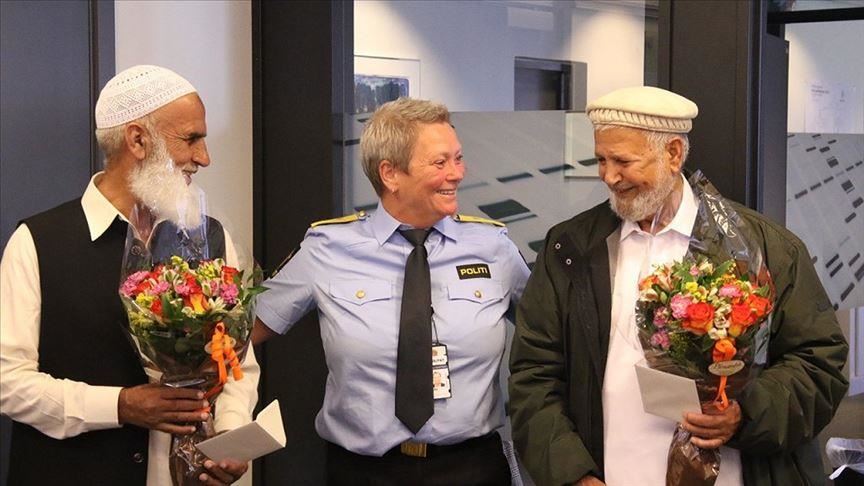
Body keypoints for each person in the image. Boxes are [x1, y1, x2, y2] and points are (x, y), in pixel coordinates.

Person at [508, 86, 849, 486]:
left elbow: (818, 363)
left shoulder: (762, 248)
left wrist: (744, 414)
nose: (609, 176)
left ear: (673, 154)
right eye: (601, 159)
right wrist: (572, 474)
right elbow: (534, 374)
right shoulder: (569, 249)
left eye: (623, 161)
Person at [0, 65, 259, 486]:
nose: (204, 158)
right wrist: (118, 406)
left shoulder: (212, 237)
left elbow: (237, 364)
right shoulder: (36, 242)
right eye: (191, 139)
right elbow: (8, 382)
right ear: (137, 140)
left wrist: (228, 436)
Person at [253, 97, 531, 485]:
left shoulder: (493, 247)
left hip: (471, 468)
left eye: (458, 158)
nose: (457, 173)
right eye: (440, 162)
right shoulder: (327, 248)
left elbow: (552, 339)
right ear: (390, 174)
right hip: (364, 473)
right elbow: (235, 336)